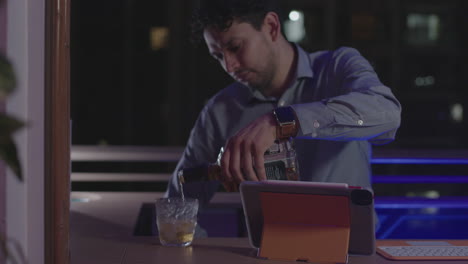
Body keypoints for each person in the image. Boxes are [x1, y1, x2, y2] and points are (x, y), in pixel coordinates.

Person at [165, 0, 401, 208]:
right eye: (218, 56)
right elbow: (179, 197)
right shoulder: (221, 109)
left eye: (235, 48)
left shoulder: (338, 68)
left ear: (271, 26)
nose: (229, 66)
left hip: (348, 250)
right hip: (262, 252)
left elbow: (388, 114)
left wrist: (281, 121)